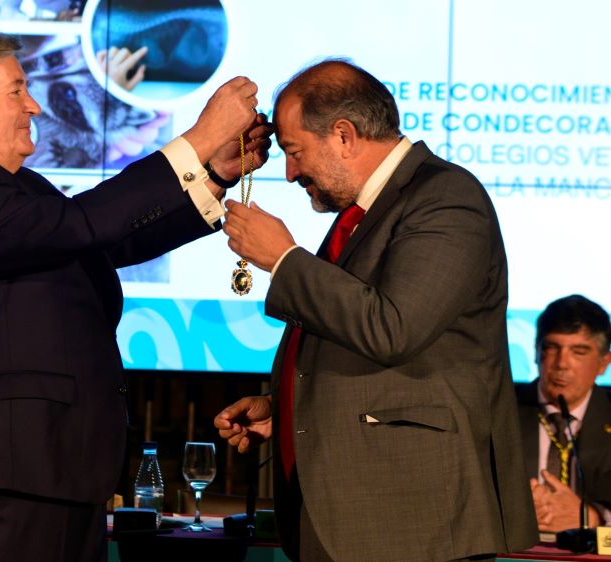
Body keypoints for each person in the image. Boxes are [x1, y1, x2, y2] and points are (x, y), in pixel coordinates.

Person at [0, 27, 271, 562]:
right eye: (17, 90)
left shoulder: (17, 188)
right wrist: (199, 139)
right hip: (4, 479)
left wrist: (211, 174)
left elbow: (104, 238)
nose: (35, 106)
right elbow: (82, 224)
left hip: (51, 472)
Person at [214, 58, 537, 561]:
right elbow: (353, 340)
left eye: (295, 152)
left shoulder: (447, 197)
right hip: (348, 511)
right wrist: (284, 406)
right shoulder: (367, 211)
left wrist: (283, 258)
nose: (290, 171)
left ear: (343, 135)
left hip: (414, 519)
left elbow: (393, 328)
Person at [515, 295, 611, 533]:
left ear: (603, 363)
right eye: (551, 348)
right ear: (536, 353)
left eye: (578, 351)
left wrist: (594, 516)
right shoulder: (500, 410)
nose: (561, 364)